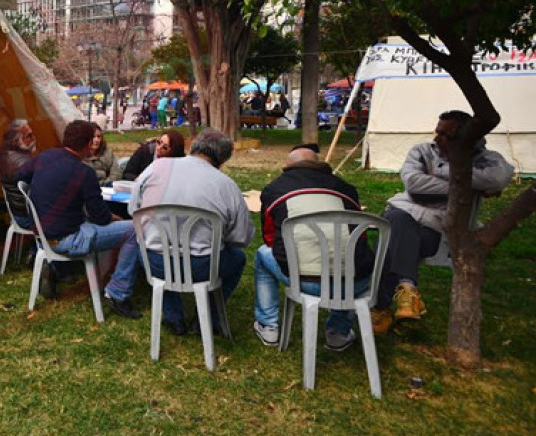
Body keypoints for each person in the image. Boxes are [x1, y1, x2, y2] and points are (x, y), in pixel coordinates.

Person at [371, 110, 514, 334]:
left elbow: (498, 178)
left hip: (438, 231)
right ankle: (407, 291)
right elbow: (415, 184)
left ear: (467, 138)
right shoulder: (422, 151)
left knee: (389, 237)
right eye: (437, 132)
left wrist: (443, 172)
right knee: (396, 222)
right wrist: (465, 185)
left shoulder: (486, 158)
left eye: (446, 135)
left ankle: (381, 307)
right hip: (405, 217)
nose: (437, 139)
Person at [128, 129, 254, 335]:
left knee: (155, 252)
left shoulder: (156, 167)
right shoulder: (226, 186)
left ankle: (173, 317)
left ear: (193, 146)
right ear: (222, 160)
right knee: (237, 258)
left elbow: (134, 211)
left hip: (155, 262)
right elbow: (241, 238)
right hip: (202, 266)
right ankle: (210, 316)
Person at [14, 120, 144, 319]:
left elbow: (20, 177)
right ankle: (118, 292)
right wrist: (115, 218)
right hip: (68, 238)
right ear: (86, 144)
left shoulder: (45, 156)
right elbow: (100, 218)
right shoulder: (84, 173)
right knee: (132, 229)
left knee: (89, 223)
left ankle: (57, 269)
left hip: (41, 236)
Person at [252, 147, 374, 351]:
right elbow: (359, 238)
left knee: (262, 255)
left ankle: (268, 325)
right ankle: (338, 331)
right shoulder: (346, 188)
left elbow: (270, 239)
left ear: (286, 167)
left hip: (304, 281)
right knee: (348, 258)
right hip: (356, 281)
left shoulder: (274, 189)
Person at [0, 119, 38, 231]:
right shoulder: (21, 162)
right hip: (27, 216)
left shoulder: (5, 154)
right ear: (16, 140)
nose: (33, 138)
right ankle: (42, 246)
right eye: (29, 135)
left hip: (19, 211)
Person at [121, 130, 186, 182]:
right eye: (159, 142)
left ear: (173, 152)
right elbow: (127, 174)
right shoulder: (144, 151)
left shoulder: (180, 163)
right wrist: (138, 180)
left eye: (165, 147)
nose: (159, 148)